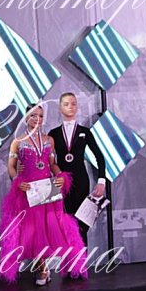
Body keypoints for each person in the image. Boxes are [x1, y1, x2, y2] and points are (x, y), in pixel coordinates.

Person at [0, 104, 86, 286]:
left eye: (40, 116)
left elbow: (52, 164)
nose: (37, 119)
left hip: (47, 190)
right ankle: (42, 269)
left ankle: (59, 267)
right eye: (33, 115)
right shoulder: (18, 142)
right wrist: (17, 180)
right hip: (29, 191)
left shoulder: (49, 140)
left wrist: (60, 176)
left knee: (51, 228)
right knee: (32, 231)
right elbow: (11, 167)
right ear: (26, 118)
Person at [48, 92, 106, 244]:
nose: (70, 107)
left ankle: (82, 257)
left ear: (77, 107)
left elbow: (100, 157)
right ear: (60, 108)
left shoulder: (84, 132)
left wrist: (101, 181)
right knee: (64, 221)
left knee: (81, 222)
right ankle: (68, 256)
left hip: (81, 181)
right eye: (66, 104)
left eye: (73, 104)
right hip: (61, 183)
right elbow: (48, 160)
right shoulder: (53, 134)